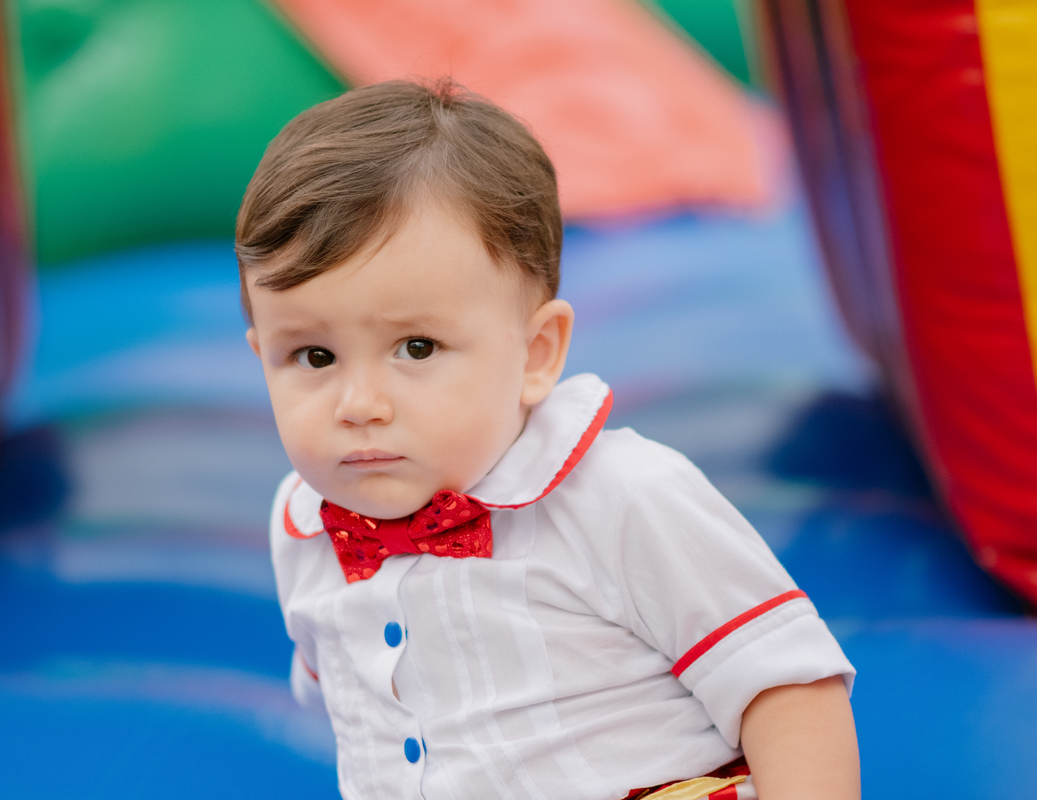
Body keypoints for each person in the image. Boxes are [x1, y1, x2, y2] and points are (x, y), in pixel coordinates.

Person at [236, 79, 859, 800]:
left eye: (417, 347)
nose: (361, 404)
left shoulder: (620, 495)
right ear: (261, 357)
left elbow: (786, 685)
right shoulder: (308, 528)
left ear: (535, 354)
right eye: (314, 357)